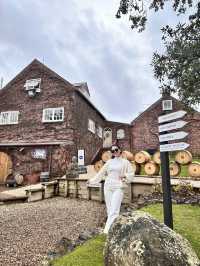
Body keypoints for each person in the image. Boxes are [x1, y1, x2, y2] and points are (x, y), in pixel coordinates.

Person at [87, 145, 135, 234]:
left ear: (120, 150)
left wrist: (125, 176)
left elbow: (131, 174)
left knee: (114, 209)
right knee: (110, 209)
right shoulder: (109, 162)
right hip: (108, 186)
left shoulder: (125, 162)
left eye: (116, 149)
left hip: (118, 187)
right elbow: (100, 174)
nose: (114, 152)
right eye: (112, 151)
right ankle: (114, 228)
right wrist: (91, 181)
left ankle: (107, 231)